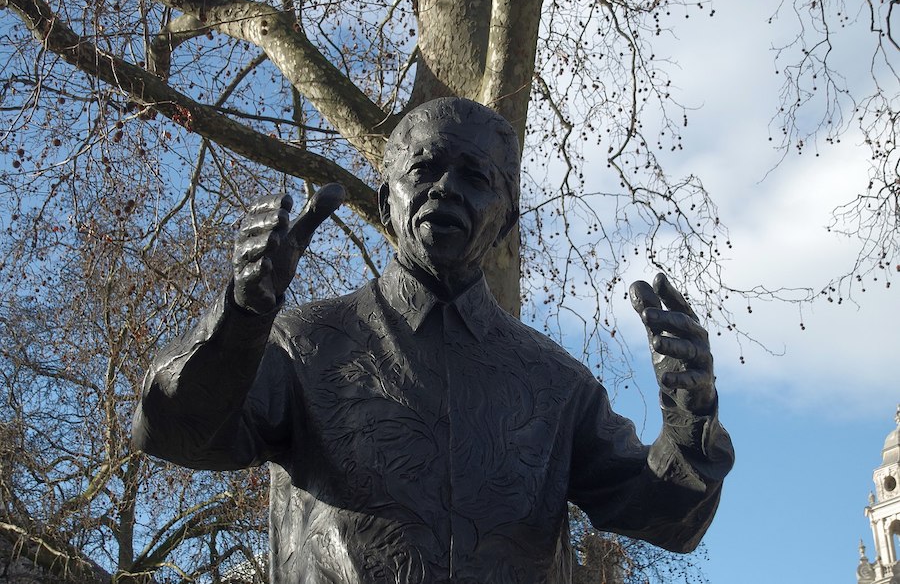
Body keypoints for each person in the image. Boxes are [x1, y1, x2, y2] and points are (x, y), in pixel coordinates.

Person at [133, 97, 733, 583]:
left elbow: (662, 515)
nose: (447, 189)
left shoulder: (557, 384)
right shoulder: (304, 344)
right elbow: (178, 431)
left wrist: (688, 432)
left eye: (476, 177)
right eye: (425, 169)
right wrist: (241, 318)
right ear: (386, 199)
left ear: (507, 218)